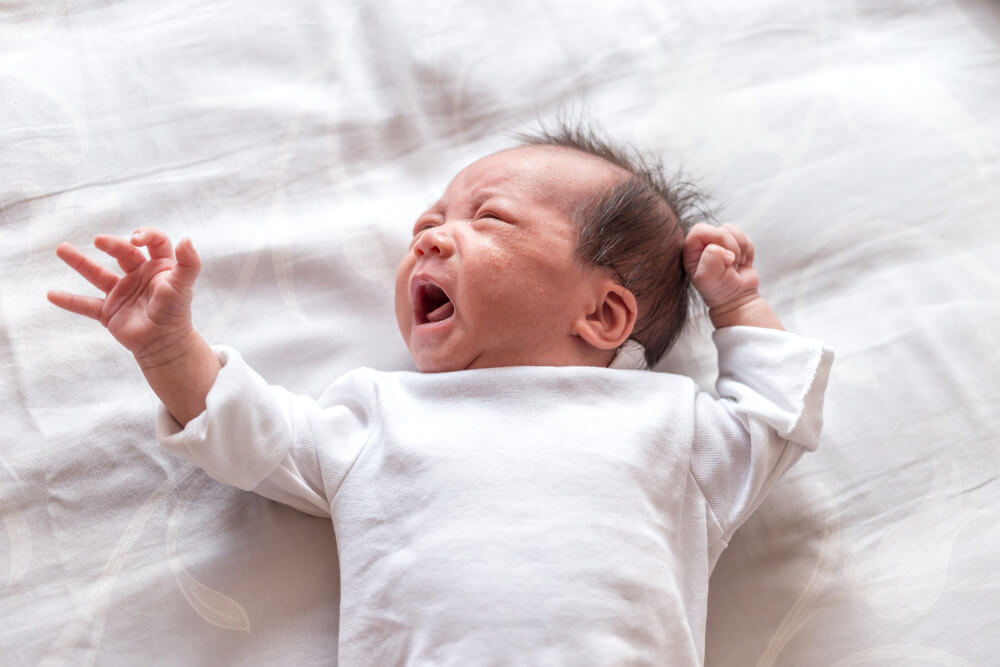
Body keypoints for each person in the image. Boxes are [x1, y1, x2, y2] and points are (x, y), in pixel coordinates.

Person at [48, 125, 833, 665]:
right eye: (428, 221)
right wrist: (170, 348)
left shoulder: (669, 423)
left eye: (487, 217)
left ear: (602, 313)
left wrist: (736, 304)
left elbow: (775, 414)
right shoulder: (379, 414)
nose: (428, 236)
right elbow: (249, 432)